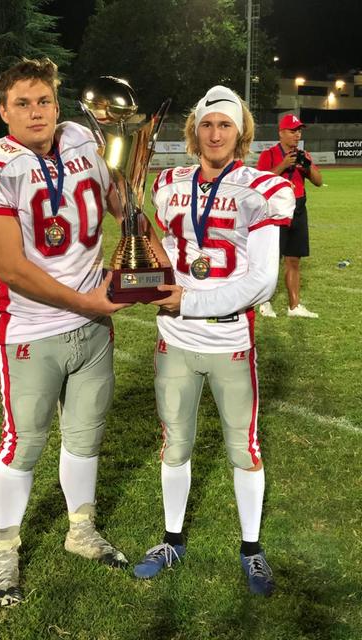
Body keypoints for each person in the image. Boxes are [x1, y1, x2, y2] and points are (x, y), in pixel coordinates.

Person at [0, 58, 163, 607]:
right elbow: (11, 267)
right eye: (21, 103)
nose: (35, 112)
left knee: (85, 437)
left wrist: (150, 250)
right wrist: (90, 300)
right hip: (34, 328)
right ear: (3, 111)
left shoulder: (82, 137)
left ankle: (80, 528)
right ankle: (6, 551)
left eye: (43, 100)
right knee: (22, 445)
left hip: (94, 329)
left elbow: (123, 203)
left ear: (57, 103)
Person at [132, 86, 295, 597]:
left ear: (240, 131)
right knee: (174, 445)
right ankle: (172, 539)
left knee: (243, 449)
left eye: (225, 124)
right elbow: (164, 247)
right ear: (194, 131)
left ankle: (251, 549)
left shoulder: (263, 187)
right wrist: (143, 279)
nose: (215, 133)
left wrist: (189, 300)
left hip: (229, 339)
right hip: (174, 339)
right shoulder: (168, 182)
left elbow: (262, 282)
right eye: (207, 124)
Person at [257, 114, 323, 318]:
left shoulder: (303, 155)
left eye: (299, 131)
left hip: (299, 210)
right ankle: (264, 302)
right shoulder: (268, 154)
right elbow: (260, 183)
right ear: (281, 133)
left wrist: (308, 166)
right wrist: (283, 165)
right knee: (271, 260)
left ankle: (294, 307)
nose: (297, 135)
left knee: (294, 260)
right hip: (276, 211)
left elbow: (319, 182)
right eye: (293, 131)